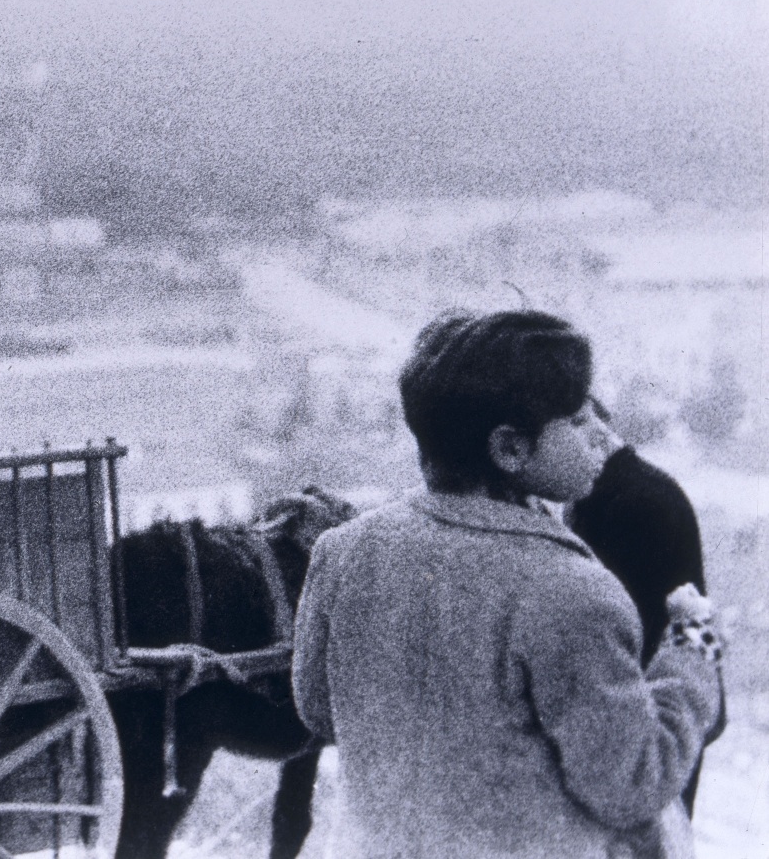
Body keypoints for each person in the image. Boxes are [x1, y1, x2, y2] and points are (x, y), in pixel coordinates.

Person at [292, 311, 723, 859]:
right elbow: (633, 783)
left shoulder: (343, 550)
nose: (602, 437)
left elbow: (319, 711)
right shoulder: (573, 592)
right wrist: (692, 652)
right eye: (578, 418)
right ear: (510, 450)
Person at [570, 399, 723, 816]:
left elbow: (621, 628)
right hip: (661, 713)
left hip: (657, 721)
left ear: (592, 428)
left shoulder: (632, 502)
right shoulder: (621, 491)